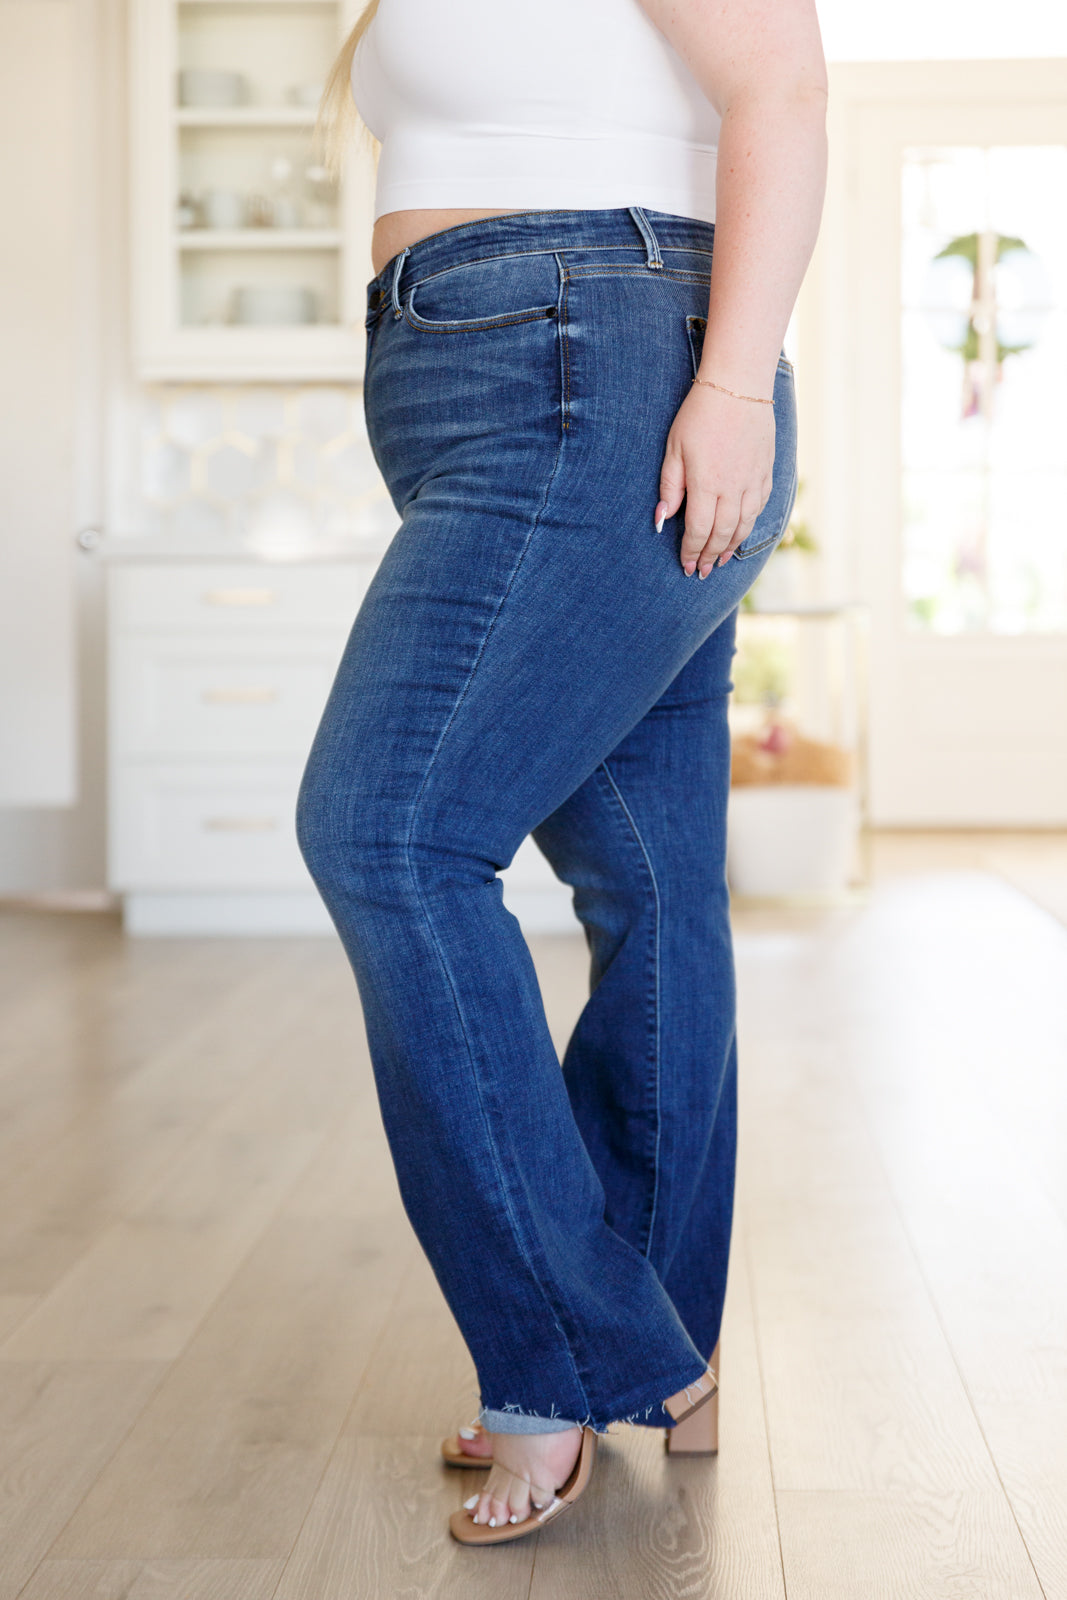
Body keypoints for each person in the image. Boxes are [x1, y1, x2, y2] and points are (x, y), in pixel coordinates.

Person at [298, 0, 827, 1547]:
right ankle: (658, 1355)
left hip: (597, 369)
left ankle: (566, 1355)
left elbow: (782, 84)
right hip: (514, 372)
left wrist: (731, 388)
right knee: (650, 884)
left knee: (389, 834)